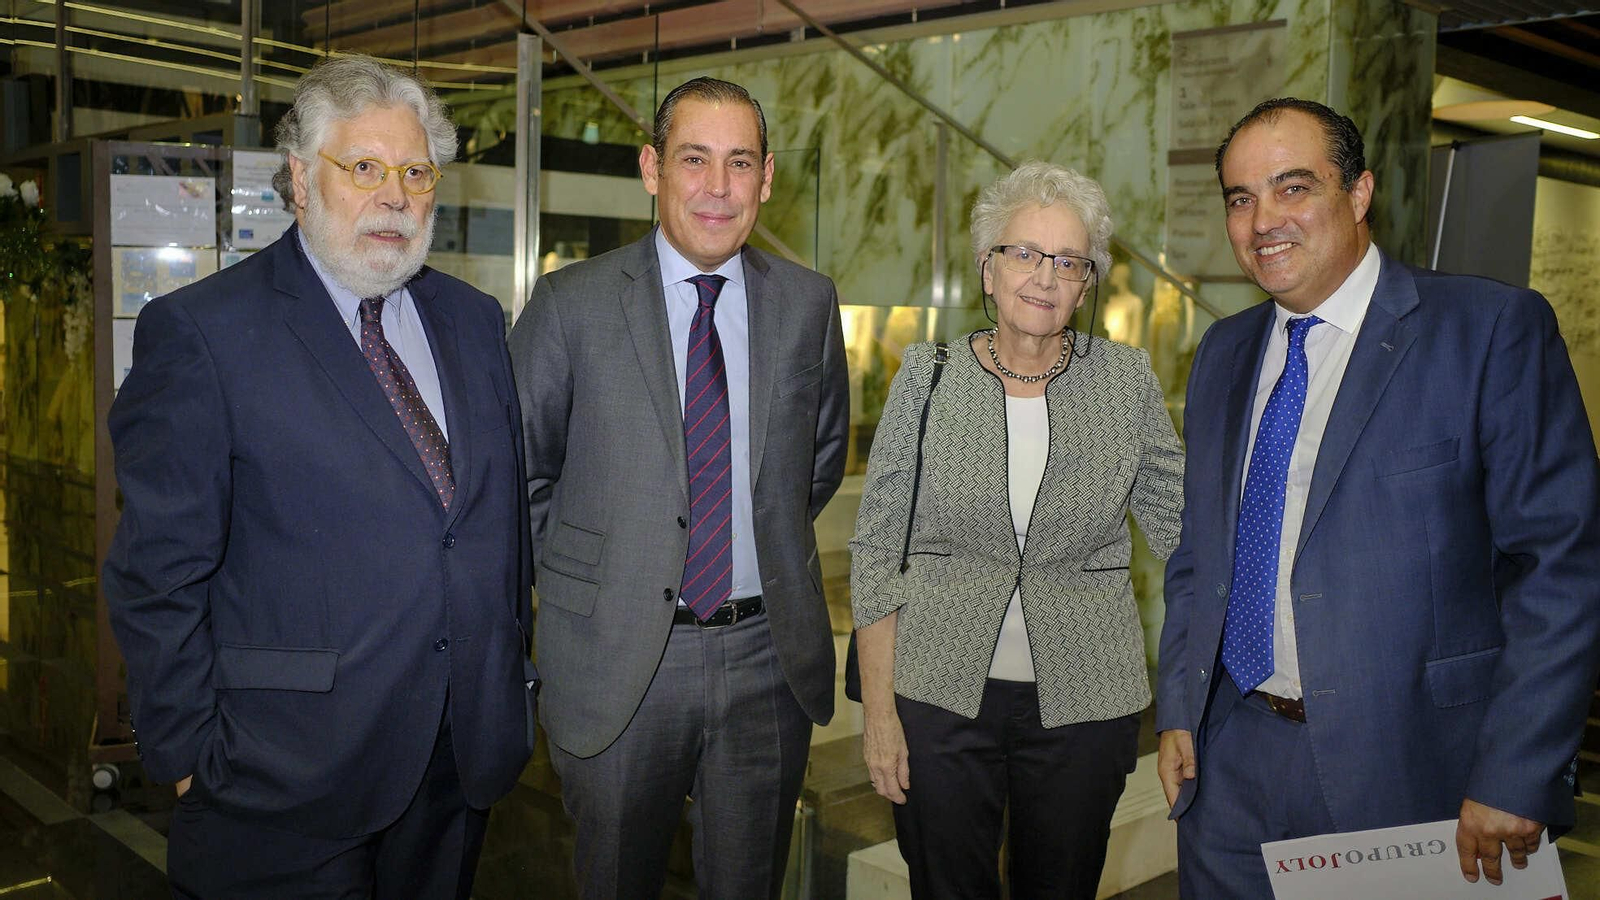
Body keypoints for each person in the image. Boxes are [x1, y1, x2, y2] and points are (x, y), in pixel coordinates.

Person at [102, 56, 535, 898]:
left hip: (454, 769)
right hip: (279, 783)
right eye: (364, 167)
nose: (395, 196)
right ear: (301, 180)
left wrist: (509, 685)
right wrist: (189, 757)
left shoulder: (475, 321)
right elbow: (156, 574)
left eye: (415, 173)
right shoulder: (203, 333)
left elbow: (493, 526)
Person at [1156, 97, 1600, 895]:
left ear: (1359, 193)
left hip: (1413, 775)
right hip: (1230, 763)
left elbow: (1561, 568)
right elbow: (1199, 555)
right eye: (1241, 198)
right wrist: (1180, 709)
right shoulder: (1223, 352)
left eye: (1293, 188)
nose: (1263, 221)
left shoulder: (1488, 331)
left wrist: (1519, 770)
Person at [508, 76, 849, 899]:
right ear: (652, 168)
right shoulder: (570, 304)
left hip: (767, 661)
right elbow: (521, 476)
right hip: (620, 662)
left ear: (767, 177)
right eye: (695, 159)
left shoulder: (807, 303)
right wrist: (600, 580)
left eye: (740, 163)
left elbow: (819, 462)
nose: (718, 187)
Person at [850, 161, 1185, 899]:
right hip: (938, 697)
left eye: (1069, 261)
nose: (1045, 276)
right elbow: (878, 552)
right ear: (988, 269)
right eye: (1025, 253)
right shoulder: (927, 377)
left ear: (1086, 284)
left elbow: (1184, 534)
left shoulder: (1124, 381)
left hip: (1086, 700)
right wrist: (879, 715)